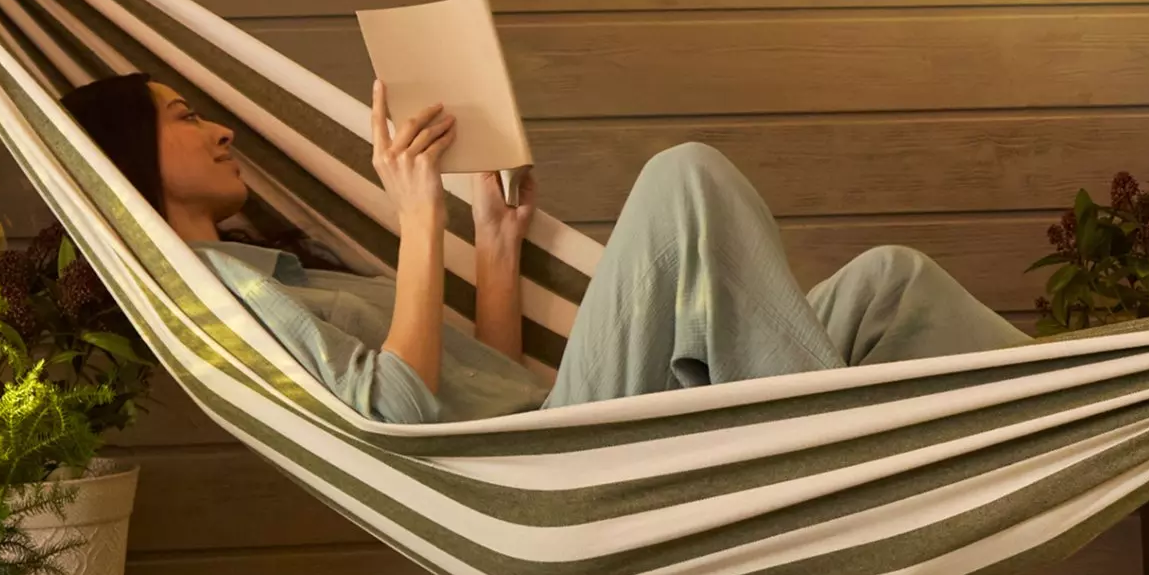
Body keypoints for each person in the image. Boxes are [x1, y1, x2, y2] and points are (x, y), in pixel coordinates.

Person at [58, 72, 1028, 426]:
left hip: (547, 418)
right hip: (555, 465)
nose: (220, 129)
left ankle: (1088, 392)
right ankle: (817, 440)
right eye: (185, 118)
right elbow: (395, 409)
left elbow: (491, 378)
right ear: (133, 159)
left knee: (887, 285)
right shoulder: (223, 297)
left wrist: (495, 237)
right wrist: (420, 213)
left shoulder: (284, 272)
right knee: (683, 177)